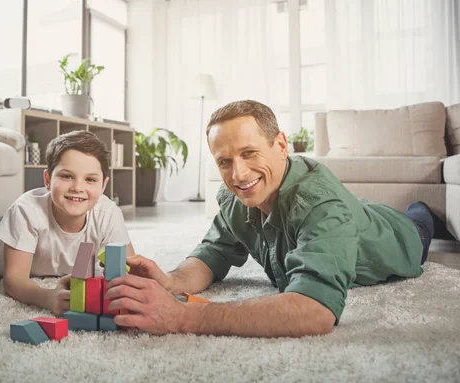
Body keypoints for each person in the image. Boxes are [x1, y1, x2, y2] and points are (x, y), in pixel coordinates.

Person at [105, 100, 448, 338]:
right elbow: (214, 253)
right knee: (352, 211)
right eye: (224, 161)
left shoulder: (320, 205)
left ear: (281, 145)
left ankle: (421, 211)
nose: (238, 174)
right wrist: (171, 281)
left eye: (249, 153)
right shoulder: (234, 196)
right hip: (351, 213)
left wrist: (184, 317)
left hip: (402, 237)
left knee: (418, 220)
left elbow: (315, 310)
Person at [0, 130, 135, 316]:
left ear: (103, 186)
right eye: (67, 176)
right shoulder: (25, 211)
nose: (78, 188)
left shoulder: (108, 212)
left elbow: (130, 267)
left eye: (90, 179)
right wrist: (48, 297)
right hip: (19, 246)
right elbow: (13, 280)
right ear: (48, 180)